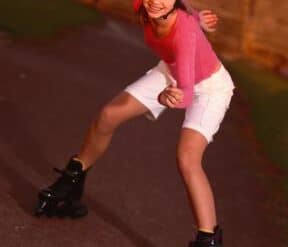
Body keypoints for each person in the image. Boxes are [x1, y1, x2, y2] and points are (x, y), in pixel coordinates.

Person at [36, 0, 235, 246]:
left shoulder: (184, 33)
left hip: (209, 88)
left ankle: (208, 240)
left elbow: (183, 94)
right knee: (109, 115)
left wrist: (164, 97)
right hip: (172, 71)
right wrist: (199, 18)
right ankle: (72, 181)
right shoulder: (149, 6)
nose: (155, 1)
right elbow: (186, 11)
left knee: (188, 159)